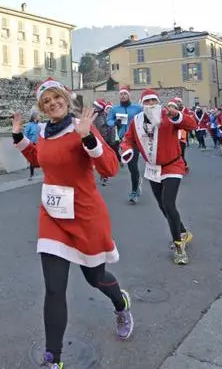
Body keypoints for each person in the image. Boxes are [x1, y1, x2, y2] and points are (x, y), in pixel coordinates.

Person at [12, 78, 133, 369]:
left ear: (65, 98)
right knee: (54, 289)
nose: (52, 104)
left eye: (56, 98)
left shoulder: (81, 127)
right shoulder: (43, 132)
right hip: (53, 218)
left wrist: (88, 139)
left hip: (85, 215)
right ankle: (53, 359)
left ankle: (121, 303)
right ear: (42, 108)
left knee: (95, 279)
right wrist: (19, 137)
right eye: (46, 102)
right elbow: (40, 159)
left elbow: (111, 168)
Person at [121, 89, 197, 264]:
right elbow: (128, 139)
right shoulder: (136, 121)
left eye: (154, 101)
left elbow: (191, 125)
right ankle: (183, 232)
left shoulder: (167, 115)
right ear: (142, 104)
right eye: (147, 101)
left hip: (172, 165)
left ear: (158, 102)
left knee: (169, 204)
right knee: (163, 206)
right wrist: (126, 150)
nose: (151, 104)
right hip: (152, 168)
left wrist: (177, 115)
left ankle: (179, 247)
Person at [106, 87, 144, 203]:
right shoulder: (115, 109)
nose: (123, 96)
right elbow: (109, 120)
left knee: (133, 165)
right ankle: (137, 181)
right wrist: (114, 122)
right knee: (131, 166)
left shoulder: (137, 108)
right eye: (121, 94)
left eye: (125, 94)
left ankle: (134, 191)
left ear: (129, 95)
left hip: (136, 140)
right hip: (124, 140)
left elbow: (145, 118)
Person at [23, 110, 42, 180]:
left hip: (39, 144)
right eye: (39, 116)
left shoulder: (39, 125)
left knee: (43, 158)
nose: (40, 117)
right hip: (32, 144)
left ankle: (48, 174)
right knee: (32, 160)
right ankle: (31, 175)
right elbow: (25, 135)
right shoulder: (29, 125)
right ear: (35, 117)